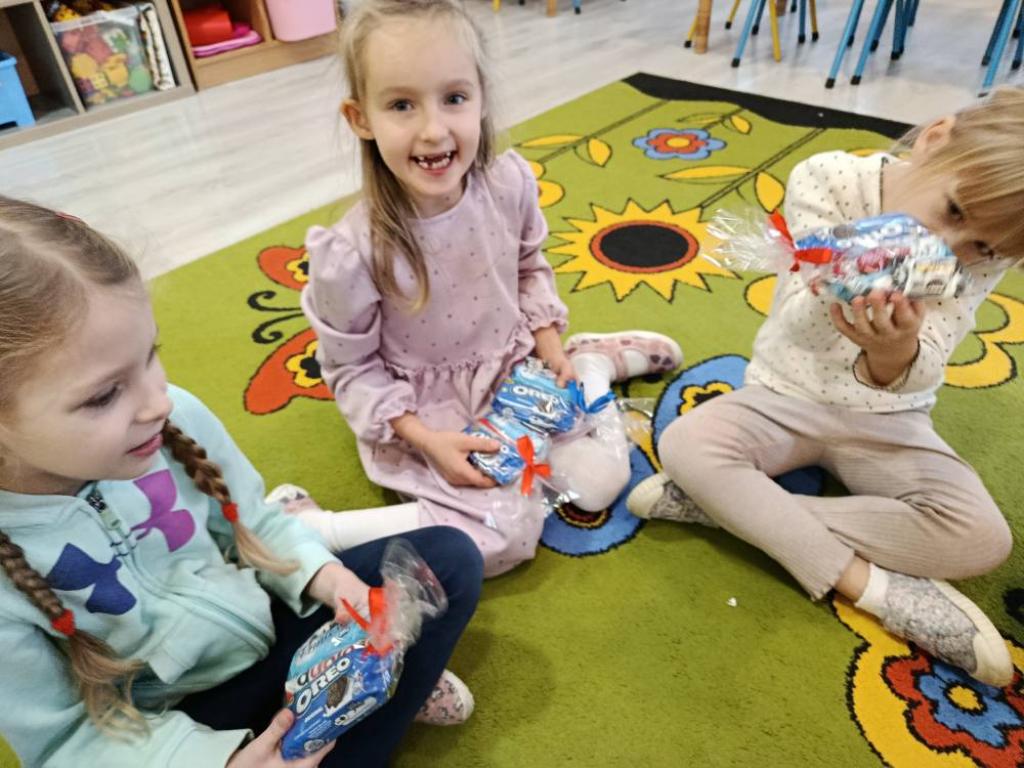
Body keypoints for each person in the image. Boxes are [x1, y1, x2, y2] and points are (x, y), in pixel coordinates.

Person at [0, 196, 483, 768]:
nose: (158, 402)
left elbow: (253, 523)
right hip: (170, 727)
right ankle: (383, 686)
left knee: (448, 561)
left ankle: (368, 678)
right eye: (105, 394)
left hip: (264, 627)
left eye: (151, 355)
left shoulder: (175, 417)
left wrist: (324, 577)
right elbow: (64, 745)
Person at [628, 88, 1024, 687]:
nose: (948, 249)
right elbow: (798, 328)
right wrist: (842, 278)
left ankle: (730, 509)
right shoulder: (830, 178)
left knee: (982, 539)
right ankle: (869, 587)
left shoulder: (981, 254)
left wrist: (892, 350)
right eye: (953, 211)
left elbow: (931, 358)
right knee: (687, 442)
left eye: (981, 247)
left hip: (888, 418)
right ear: (934, 139)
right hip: (784, 394)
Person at [297, 0, 682, 576]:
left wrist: (549, 345)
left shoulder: (508, 184)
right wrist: (425, 439)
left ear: (481, 97)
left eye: (454, 98)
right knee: (503, 532)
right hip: (427, 414)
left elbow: (529, 267)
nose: (434, 130)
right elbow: (351, 370)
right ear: (361, 118)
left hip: (516, 371)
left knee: (600, 484)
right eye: (401, 105)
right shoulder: (351, 253)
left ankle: (592, 365)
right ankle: (314, 529)